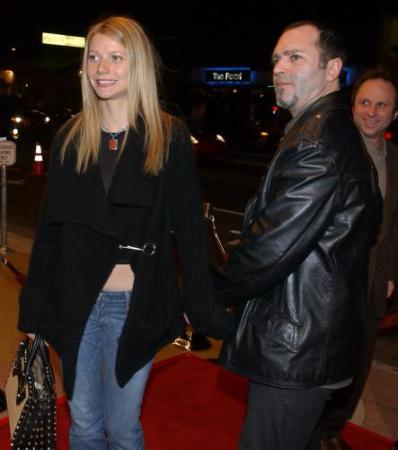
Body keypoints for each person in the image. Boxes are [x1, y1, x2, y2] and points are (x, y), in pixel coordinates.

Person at [18, 15, 232, 450]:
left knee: (123, 428)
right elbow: (50, 233)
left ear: (137, 66)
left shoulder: (167, 137)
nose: (102, 68)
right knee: (82, 424)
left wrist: (199, 303)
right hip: (75, 300)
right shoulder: (70, 138)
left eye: (116, 57)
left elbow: (190, 232)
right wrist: (33, 311)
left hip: (135, 305)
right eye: (94, 57)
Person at [213, 21, 381, 450]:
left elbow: (269, 251)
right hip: (310, 341)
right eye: (276, 59)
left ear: (332, 69)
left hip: (296, 349)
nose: (280, 69)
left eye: (295, 57)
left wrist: (206, 291)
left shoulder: (318, 142)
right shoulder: (327, 131)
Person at [320, 68, 398, 450]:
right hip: (330, 280)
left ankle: (331, 430)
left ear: (394, 114)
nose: (372, 111)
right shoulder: (331, 150)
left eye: (382, 104)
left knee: (359, 362)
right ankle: (310, 430)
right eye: (365, 102)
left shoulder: (396, 160)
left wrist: (391, 273)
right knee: (323, 362)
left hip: (373, 281)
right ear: (352, 107)